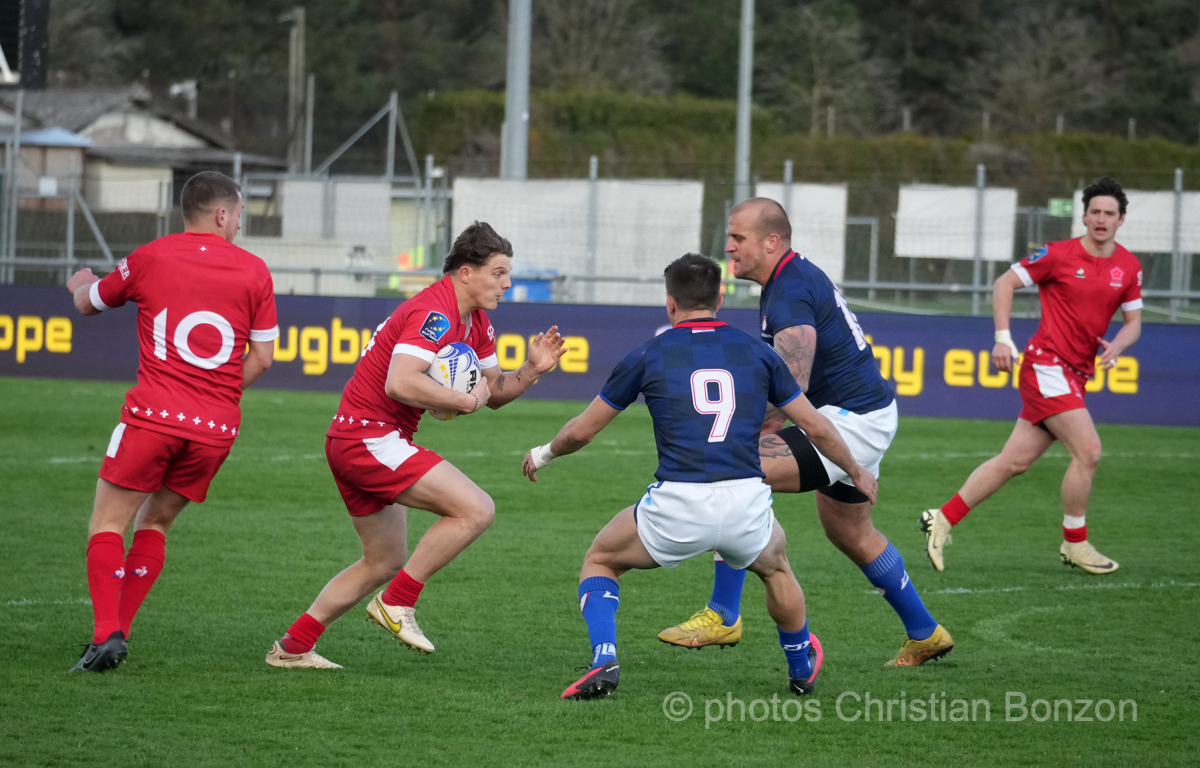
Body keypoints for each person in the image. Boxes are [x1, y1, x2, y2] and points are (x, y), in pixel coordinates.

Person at [523, 254, 877, 700]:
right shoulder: (758, 352)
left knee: (601, 560)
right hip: (746, 500)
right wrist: (855, 471)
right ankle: (799, 666)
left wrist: (543, 454)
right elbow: (818, 426)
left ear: (670, 304)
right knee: (776, 568)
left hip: (679, 504)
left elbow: (582, 431)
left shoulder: (648, 354)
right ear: (721, 298)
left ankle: (605, 658)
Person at [658, 199, 952, 667]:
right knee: (851, 533)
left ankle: (723, 614)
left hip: (850, 422)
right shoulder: (788, 279)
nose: (728, 247)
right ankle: (925, 632)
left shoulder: (789, 292)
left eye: (738, 238)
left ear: (771, 242)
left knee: (730, 469)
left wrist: (741, 423)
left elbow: (792, 384)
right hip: (864, 415)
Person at [267, 222, 565, 669]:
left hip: (364, 438)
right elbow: (401, 382)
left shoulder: (475, 321)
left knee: (383, 559)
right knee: (476, 509)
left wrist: (532, 368)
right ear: (466, 272)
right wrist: (465, 400)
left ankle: (293, 647)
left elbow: (494, 391)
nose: (507, 284)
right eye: (499, 273)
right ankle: (397, 603)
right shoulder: (436, 313)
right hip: (366, 436)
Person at [64, 171, 278, 672]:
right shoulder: (255, 271)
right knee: (156, 522)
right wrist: (219, 393)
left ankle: (104, 635)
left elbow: (88, 303)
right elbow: (264, 358)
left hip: (153, 417)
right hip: (216, 429)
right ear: (221, 214)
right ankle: (119, 632)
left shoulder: (151, 256)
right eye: (240, 215)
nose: (241, 225)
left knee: (108, 522)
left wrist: (79, 279)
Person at [921, 177, 1142, 575]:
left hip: (1076, 373)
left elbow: (1133, 322)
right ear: (1085, 216)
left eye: (1110, 213)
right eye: (1095, 212)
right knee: (1088, 451)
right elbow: (1004, 283)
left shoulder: (1128, 266)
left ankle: (944, 517)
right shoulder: (1058, 255)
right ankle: (1075, 542)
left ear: (1121, 219)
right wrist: (1003, 340)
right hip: (1045, 364)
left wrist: (1120, 344)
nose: (1101, 219)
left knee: (1014, 462)